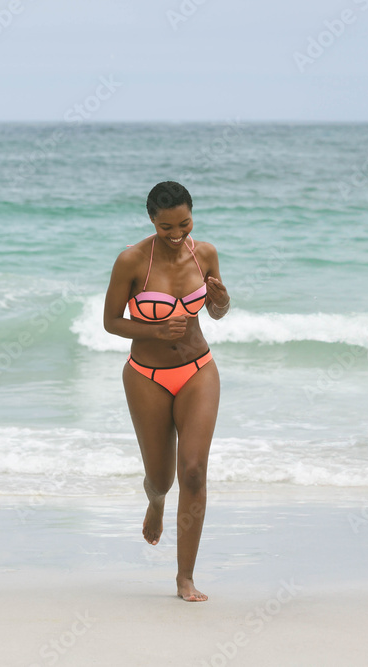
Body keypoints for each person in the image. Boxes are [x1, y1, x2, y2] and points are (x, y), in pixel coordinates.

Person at [103, 181, 230, 602]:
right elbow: (111, 322)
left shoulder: (205, 253)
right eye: (166, 227)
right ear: (152, 221)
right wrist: (156, 328)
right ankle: (155, 501)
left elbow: (214, 311)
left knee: (192, 471)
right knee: (161, 478)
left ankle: (185, 578)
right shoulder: (132, 261)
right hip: (146, 375)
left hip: (198, 369)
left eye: (184, 224)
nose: (177, 234)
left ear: (192, 215)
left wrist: (221, 301)